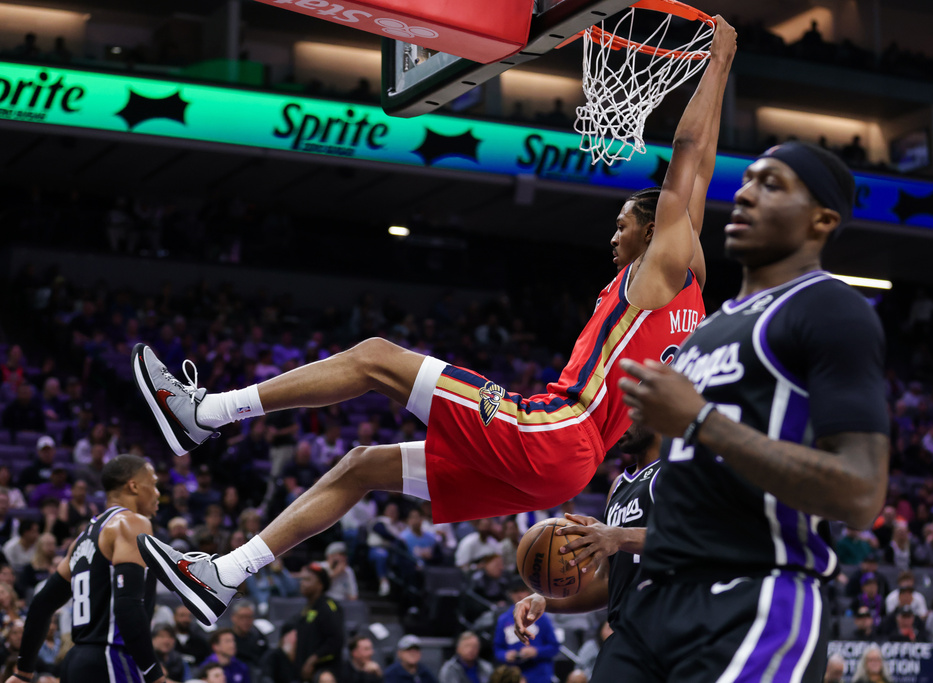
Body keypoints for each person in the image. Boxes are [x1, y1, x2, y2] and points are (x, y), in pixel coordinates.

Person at [134, 8, 726, 630]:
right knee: (363, 465)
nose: (614, 236)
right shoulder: (692, 296)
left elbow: (690, 153)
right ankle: (224, 575)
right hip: (563, 470)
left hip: (556, 430)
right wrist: (722, 67)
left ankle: (203, 414)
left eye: (623, 224)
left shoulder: (656, 274)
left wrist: (717, 60)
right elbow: (705, 164)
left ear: (656, 231)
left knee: (374, 357)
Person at [599, 119, 889, 682]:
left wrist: (699, 419)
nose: (747, 192)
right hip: (653, 605)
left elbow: (860, 492)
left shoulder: (829, 307)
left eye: (773, 184)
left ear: (822, 220)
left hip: (755, 595)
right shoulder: (707, 329)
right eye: (748, 179)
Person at [3, 454, 165, 683]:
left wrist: (22, 672)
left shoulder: (83, 539)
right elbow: (128, 605)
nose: (158, 493)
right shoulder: (132, 523)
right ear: (134, 486)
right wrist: (153, 673)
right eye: (154, 484)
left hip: (76, 662)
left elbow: (41, 604)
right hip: (111, 658)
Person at [513, 423, 661, 658]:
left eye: (630, 413)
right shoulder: (619, 486)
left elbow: (693, 538)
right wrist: (546, 599)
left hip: (667, 628)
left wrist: (619, 536)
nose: (618, 422)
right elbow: (606, 582)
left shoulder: (676, 473)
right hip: (625, 633)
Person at [494, 582, 558, 683]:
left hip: (540, 674)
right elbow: (497, 649)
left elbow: (554, 647)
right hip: (514, 675)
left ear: (528, 592)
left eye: (522, 590)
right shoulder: (503, 620)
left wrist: (536, 651)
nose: (519, 595)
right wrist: (505, 655)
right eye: (515, 591)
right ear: (510, 594)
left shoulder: (541, 617)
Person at [293, 563, 344, 682]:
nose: (302, 583)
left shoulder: (328, 607)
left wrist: (312, 660)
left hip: (324, 672)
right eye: (302, 579)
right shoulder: (307, 608)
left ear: (320, 585)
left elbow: (335, 640)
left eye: (307, 580)